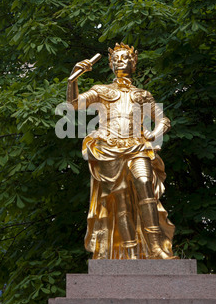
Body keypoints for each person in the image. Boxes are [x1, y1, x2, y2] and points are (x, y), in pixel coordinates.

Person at [67, 42, 177, 260]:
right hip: (110, 148)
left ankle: (156, 247)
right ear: (110, 63)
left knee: (145, 184)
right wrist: (73, 79)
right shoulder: (102, 91)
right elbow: (73, 104)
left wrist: (154, 134)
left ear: (133, 62)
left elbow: (163, 119)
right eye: (116, 58)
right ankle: (130, 252)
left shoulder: (142, 95)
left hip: (137, 146)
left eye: (124, 57)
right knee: (121, 199)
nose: (120, 61)